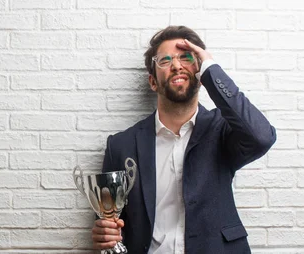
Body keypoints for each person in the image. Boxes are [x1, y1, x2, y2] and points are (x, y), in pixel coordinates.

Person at [91, 26, 276, 254]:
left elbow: (262, 136)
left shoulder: (223, 131)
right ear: (152, 81)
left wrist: (210, 69)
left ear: (199, 75)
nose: (177, 65)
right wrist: (104, 232)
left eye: (186, 58)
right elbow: (108, 219)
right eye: (165, 60)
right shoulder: (121, 146)